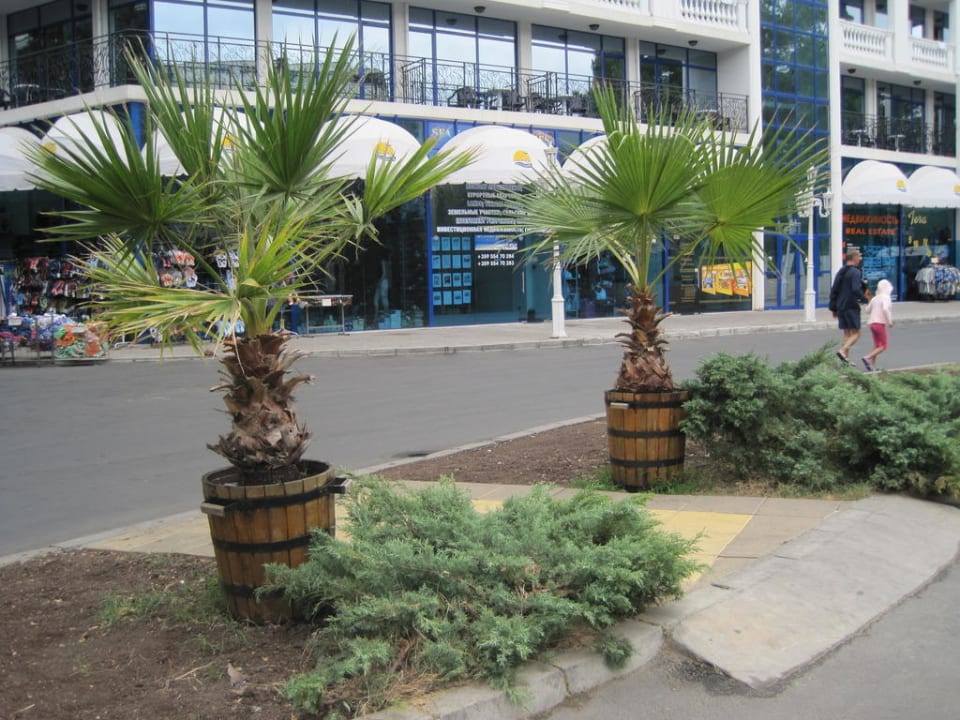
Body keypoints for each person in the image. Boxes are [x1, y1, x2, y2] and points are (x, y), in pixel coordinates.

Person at [829, 247, 869, 365]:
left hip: (841, 305)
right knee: (857, 333)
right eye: (859, 257)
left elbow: (834, 289)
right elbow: (856, 289)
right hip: (851, 305)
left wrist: (833, 307)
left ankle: (845, 361)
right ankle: (842, 351)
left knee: (847, 333)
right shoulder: (855, 272)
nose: (860, 259)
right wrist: (864, 299)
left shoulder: (842, 271)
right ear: (855, 258)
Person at [861, 278, 893, 372]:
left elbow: (867, 310)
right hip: (880, 323)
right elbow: (885, 309)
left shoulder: (875, 298)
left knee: (876, 345)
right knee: (883, 345)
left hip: (872, 323)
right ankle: (867, 358)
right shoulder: (886, 298)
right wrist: (890, 321)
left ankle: (873, 366)